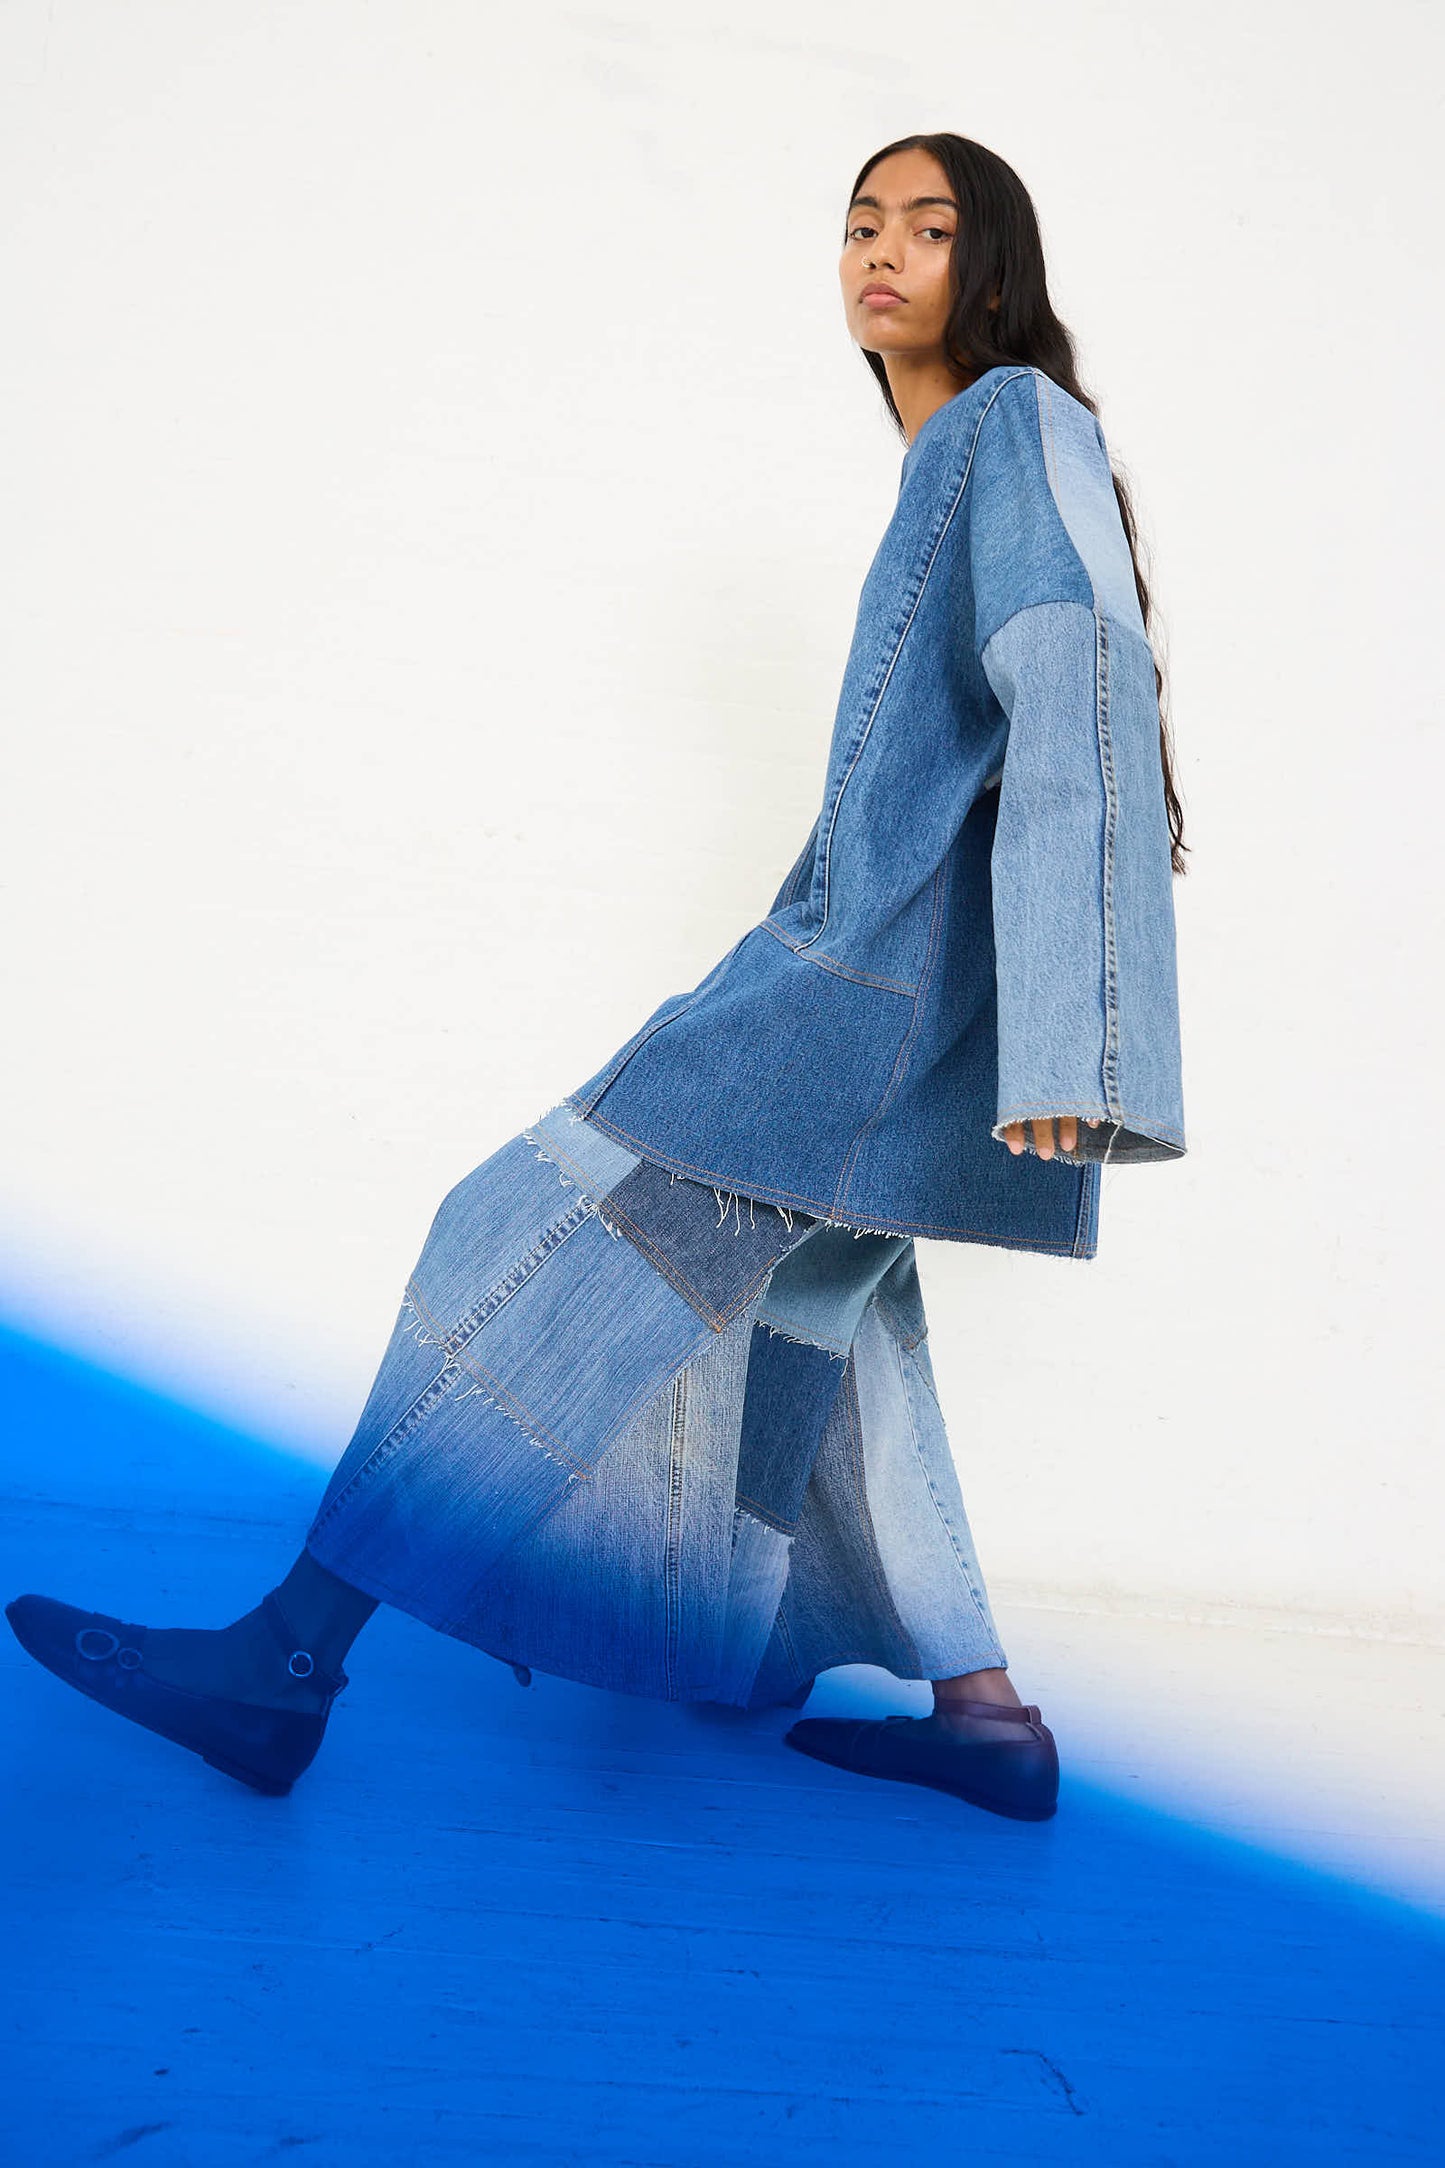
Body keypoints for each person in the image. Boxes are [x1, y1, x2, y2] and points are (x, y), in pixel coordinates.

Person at [7, 132, 1187, 1825]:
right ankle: (984, 1716)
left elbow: (1083, 672)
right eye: (858, 224)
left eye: (928, 229)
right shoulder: (946, 459)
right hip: (876, 1017)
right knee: (823, 1326)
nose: (881, 253)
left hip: (845, 1021)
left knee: (525, 1243)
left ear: (990, 271)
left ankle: (284, 1663)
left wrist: (1087, 1035)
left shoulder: (1008, 423)